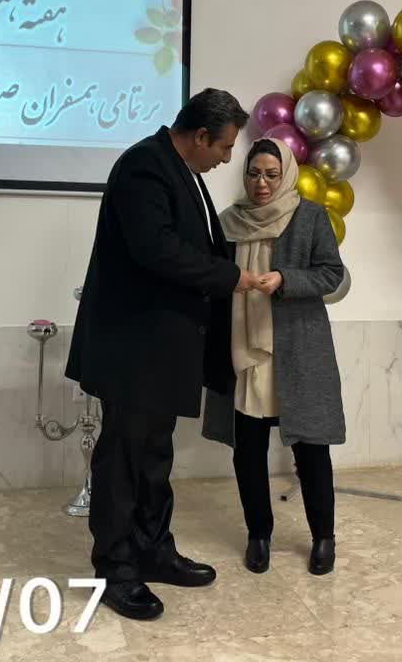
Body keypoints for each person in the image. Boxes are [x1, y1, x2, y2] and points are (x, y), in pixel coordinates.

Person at [66, 88, 262, 621]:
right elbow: (156, 250)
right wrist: (231, 277)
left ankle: (153, 550)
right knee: (124, 460)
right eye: (224, 147)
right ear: (199, 136)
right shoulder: (144, 167)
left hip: (161, 349)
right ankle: (115, 569)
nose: (227, 158)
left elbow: (192, 246)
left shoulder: (182, 170)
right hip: (132, 347)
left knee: (154, 456)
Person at [203, 137, 346, 576]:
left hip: (297, 350)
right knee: (248, 451)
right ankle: (258, 534)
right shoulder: (228, 222)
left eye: (271, 174)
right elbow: (209, 276)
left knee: (311, 449)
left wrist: (285, 278)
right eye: (253, 174)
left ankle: (323, 537)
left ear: (286, 176)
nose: (261, 183)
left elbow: (331, 273)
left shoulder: (310, 216)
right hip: (243, 350)